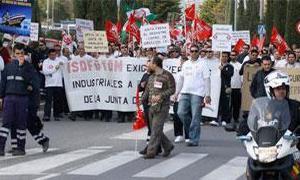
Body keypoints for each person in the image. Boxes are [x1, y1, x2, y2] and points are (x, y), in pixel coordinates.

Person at [237, 70, 300, 140]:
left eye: (284, 88)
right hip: (268, 143)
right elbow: (250, 121)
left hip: (291, 145)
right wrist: (242, 130)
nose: (281, 91)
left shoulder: (296, 106)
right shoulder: (264, 107)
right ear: (270, 90)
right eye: (278, 89)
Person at [0, 44, 35, 156]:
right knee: (6, 123)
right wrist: (0, 98)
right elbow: (3, 84)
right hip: (9, 98)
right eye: (17, 53)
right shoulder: (8, 66)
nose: (20, 56)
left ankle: (20, 148)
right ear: (13, 54)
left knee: (21, 124)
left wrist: (21, 67)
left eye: (22, 53)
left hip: (22, 98)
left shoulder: (28, 66)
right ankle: (1, 148)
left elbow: (31, 82)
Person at [176, 45, 211, 146]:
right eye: (192, 51)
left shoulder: (203, 64)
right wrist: (176, 93)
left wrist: (207, 94)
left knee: (196, 117)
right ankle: (192, 128)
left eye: (196, 51)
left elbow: (207, 79)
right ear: (189, 52)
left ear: (199, 52)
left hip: (198, 93)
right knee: (180, 112)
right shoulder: (186, 63)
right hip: (185, 92)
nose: (194, 53)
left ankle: (194, 139)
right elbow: (181, 79)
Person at [141, 56, 176, 159]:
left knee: (156, 129)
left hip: (162, 106)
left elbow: (172, 89)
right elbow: (147, 91)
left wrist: (161, 96)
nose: (148, 65)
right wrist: (141, 100)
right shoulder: (151, 76)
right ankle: (168, 146)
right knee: (155, 129)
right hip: (152, 106)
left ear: (155, 64)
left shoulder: (167, 75)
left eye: (150, 63)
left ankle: (151, 151)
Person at [42, 49, 64, 121]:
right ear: (49, 55)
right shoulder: (46, 61)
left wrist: (61, 66)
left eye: (54, 54)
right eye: (51, 55)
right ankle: (46, 115)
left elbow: (65, 68)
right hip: (49, 84)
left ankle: (56, 115)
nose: (53, 56)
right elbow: (45, 72)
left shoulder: (59, 60)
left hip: (58, 84)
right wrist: (55, 69)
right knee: (48, 100)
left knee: (57, 101)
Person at [218, 52, 234, 126]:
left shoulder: (230, 66)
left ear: (228, 57)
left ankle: (225, 119)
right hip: (217, 87)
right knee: (217, 103)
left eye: (225, 56)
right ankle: (215, 119)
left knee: (226, 104)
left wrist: (223, 70)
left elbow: (229, 74)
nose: (224, 58)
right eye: (223, 56)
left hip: (226, 87)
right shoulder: (217, 65)